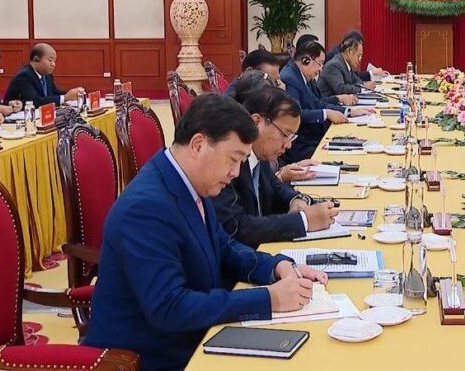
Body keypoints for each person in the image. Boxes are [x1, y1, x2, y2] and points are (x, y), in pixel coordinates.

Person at [83, 95, 328, 371]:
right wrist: (269, 298)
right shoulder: (145, 208)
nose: (235, 172)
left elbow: (224, 249)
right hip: (151, 357)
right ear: (198, 145)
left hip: (196, 338)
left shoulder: (187, 182)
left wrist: (276, 266)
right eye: (233, 159)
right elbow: (169, 308)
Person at [212, 86, 339, 248]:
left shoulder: (261, 154)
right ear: (256, 122)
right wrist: (303, 221)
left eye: (291, 137)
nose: (288, 145)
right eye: (284, 134)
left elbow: (275, 187)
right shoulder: (230, 163)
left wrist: (297, 200)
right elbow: (237, 227)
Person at [280, 41, 347, 163]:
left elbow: (316, 102)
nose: (320, 70)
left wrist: (347, 111)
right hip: (299, 145)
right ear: (306, 60)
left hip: (310, 138)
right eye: (320, 63)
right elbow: (296, 114)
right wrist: (325, 114)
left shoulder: (303, 76)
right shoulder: (290, 78)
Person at [4, 43, 84, 107]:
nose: (53, 64)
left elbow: (54, 93)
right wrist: (65, 98)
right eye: (50, 60)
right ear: (36, 59)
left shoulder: (46, 74)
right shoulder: (24, 76)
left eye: (54, 61)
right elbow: (34, 101)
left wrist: (73, 95)